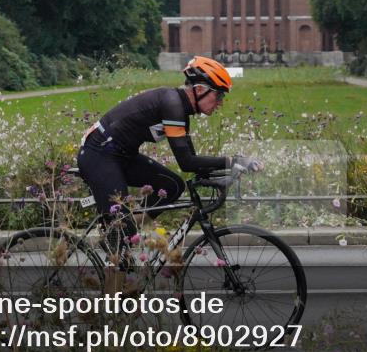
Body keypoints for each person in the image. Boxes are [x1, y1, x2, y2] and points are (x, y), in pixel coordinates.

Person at [77, 56, 262, 250]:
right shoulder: (172, 105)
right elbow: (187, 162)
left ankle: (120, 231)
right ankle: (117, 242)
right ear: (200, 89)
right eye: (219, 95)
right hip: (98, 156)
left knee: (172, 186)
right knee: (122, 242)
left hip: (121, 157)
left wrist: (224, 171)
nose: (221, 102)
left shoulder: (180, 110)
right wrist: (232, 161)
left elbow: (194, 162)